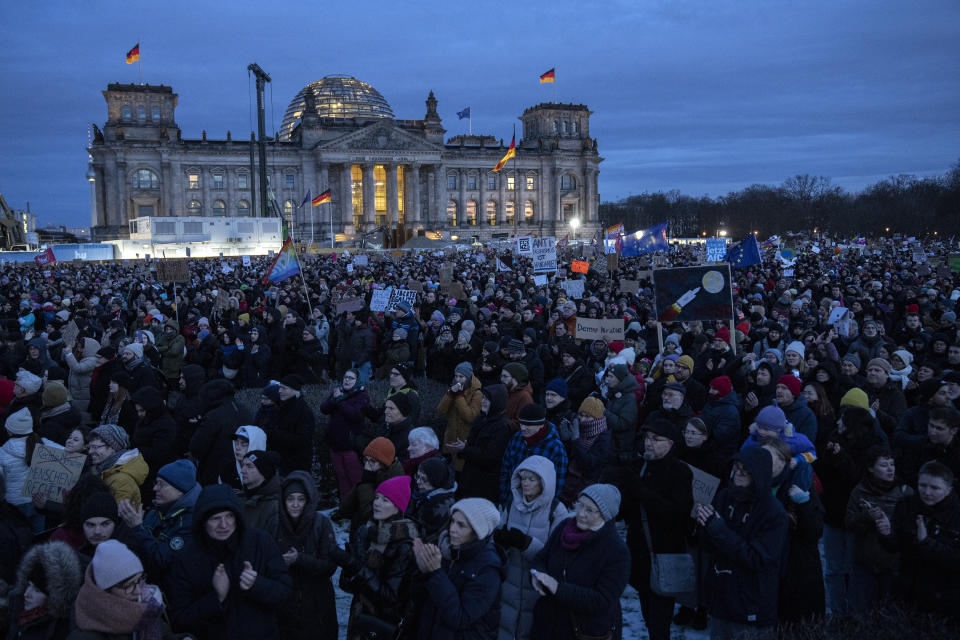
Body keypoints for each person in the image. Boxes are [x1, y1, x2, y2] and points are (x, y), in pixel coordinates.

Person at [168, 483, 293, 640]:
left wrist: (258, 585)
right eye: (216, 518)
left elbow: (286, 593)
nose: (224, 525)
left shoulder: (260, 542)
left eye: (229, 516)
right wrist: (216, 598)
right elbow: (180, 620)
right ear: (203, 521)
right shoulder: (186, 559)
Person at [696, 447, 788, 640]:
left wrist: (718, 530)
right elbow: (708, 545)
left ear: (758, 474)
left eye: (745, 470)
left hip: (752, 603)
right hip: (721, 599)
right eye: (736, 468)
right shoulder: (724, 496)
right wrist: (703, 527)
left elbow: (757, 558)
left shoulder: (773, 512)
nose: (738, 474)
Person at [620, 419, 693, 640]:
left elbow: (677, 514)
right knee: (647, 612)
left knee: (659, 621)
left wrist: (641, 492)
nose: (648, 443)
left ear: (670, 443)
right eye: (647, 438)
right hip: (640, 551)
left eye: (655, 439)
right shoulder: (642, 465)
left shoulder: (680, 472)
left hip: (665, 554)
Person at [529, 484, 630, 640]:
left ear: (605, 514)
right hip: (547, 625)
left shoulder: (616, 551)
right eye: (580, 505)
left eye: (589, 510)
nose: (581, 513)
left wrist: (558, 588)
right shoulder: (564, 527)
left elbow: (602, 600)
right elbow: (541, 558)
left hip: (584, 631)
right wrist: (537, 574)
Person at [334, 475, 420, 640]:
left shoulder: (405, 546)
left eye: (385, 500)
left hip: (383, 627)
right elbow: (349, 587)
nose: (377, 503)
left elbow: (390, 599)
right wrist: (347, 566)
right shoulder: (365, 532)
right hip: (358, 622)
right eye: (377, 498)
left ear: (398, 507)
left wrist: (356, 567)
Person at [496, 455, 568, 640]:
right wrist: (500, 540)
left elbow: (558, 556)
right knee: (505, 625)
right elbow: (499, 532)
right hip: (509, 580)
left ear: (544, 482)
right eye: (522, 478)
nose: (525, 483)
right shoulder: (512, 503)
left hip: (537, 587)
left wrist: (525, 543)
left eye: (532, 479)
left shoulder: (557, 511)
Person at [413, 497, 505, 639]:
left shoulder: (488, 569)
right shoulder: (449, 551)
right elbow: (425, 603)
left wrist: (436, 574)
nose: (452, 529)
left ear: (477, 531)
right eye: (452, 521)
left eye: (461, 525)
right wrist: (424, 572)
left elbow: (460, 618)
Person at [879, 461, 960, 616]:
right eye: (922, 485)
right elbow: (895, 547)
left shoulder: (956, 515)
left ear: (949, 490)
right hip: (908, 591)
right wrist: (885, 534)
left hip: (946, 597)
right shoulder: (906, 506)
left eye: (935, 488)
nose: (927, 492)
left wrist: (926, 543)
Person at [762, 439, 825, 625]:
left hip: (796, 571)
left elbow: (815, 531)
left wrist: (803, 504)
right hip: (767, 568)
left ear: (783, 461)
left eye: (769, 457)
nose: (762, 461)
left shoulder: (800, 484)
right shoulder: (755, 483)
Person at [69, 540, 177, 640]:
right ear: (105, 591)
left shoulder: (146, 606)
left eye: (139, 580)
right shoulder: (84, 636)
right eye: (129, 586)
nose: (138, 591)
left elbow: (166, 635)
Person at [844, 446, 908, 613]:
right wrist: (866, 517)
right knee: (861, 612)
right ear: (871, 468)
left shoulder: (904, 492)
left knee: (890, 612)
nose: (890, 469)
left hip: (893, 563)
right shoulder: (860, 491)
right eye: (884, 465)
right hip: (865, 562)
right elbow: (849, 522)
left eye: (892, 464)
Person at [275, 471, 339, 640]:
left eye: (300, 499)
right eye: (290, 499)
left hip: (318, 603)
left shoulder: (321, 524)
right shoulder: (275, 524)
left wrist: (299, 559)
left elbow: (330, 565)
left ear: (308, 500)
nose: (295, 504)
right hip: (286, 602)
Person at [118, 459, 201, 584]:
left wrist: (137, 528)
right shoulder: (157, 511)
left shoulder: (190, 522)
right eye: (156, 483)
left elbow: (161, 560)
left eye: (162, 484)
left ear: (180, 490)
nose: (155, 488)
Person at [5, 541, 82, 640]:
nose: (26, 594)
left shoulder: (58, 630)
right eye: (28, 585)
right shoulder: (17, 607)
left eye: (37, 590)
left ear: (54, 596)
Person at [499, 404, 568, 507]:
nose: (523, 428)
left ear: (540, 425)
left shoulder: (555, 448)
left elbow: (557, 484)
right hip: (511, 502)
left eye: (528, 425)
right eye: (521, 423)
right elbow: (505, 468)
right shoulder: (517, 438)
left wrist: (545, 509)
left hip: (537, 508)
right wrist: (504, 499)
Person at [189, 379, 252, 486]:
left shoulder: (213, 416)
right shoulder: (245, 411)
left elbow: (196, 448)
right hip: (242, 469)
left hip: (215, 473)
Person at [457, 384, 512, 503]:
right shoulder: (482, 418)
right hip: (469, 477)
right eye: (483, 398)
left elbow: (490, 457)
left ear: (497, 402)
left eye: (487, 399)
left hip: (483, 484)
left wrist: (465, 449)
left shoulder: (502, 427)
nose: (483, 402)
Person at [320, 368, 370, 500]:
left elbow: (355, 415)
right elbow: (324, 409)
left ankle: (360, 508)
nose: (347, 380)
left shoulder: (362, 395)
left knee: (355, 479)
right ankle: (345, 507)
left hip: (350, 446)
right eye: (345, 377)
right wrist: (333, 400)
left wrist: (340, 401)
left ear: (357, 380)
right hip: (335, 445)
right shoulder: (338, 392)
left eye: (351, 378)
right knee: (342, 479)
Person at [339, 437, 404, 535]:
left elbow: (370, 515)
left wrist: (366, 484)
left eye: (372, 461)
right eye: (366, 460)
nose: (366, 465)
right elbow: (345, 510)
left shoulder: (394, 483)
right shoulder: (373, 474)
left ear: (384, 464)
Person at [558, 397, 612, 506]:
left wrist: (576, 441)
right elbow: (570, 458)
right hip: (569, 482)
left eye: (587, 416)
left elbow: (588, 463)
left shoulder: (603, 437)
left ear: (597, 418)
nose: (582, 420)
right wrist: (566, 441)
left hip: (585, 486)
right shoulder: (579, 430)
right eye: (581, 415)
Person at [265, 374, 316, 475]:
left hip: (297, 465)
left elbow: (303, 440)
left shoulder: (303, 411)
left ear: (294, 390)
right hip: (283, 461)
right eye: (280, 387)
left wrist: (275, 434)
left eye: (284, 388)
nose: (279, 391)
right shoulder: (283, 406)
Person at [88, 424, 149, 508]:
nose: (90, 451)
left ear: (113, 448)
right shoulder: (102, 469)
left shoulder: (121, 481)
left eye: (95, 447)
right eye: (90, 447)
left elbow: (115, 516)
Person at [437, 362, 483, 472]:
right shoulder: (454, 389)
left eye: (461, 377)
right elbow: (440, 411)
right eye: (456, 376)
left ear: (468, 377)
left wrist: (458, 397)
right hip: (450, 438)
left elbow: (470, 417)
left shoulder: (477, 393)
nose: (458, 379)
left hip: (464, 440)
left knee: (460, 473)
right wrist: (450, 395)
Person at [407, 456, 457, 543]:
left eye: (424, 479)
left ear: (435, 481)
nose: (418, 481)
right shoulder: (423, 494)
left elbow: (421, 534)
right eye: (418, 476)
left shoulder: (437, 504)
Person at [239, 449, 282, 535]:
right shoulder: (238, 498)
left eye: (249, 466)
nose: (242, 471)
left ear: (264, 471)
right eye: (242, 465)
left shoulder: (275, 506)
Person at [62, 336, 102, 416]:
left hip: (83, 397)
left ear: (89, 348)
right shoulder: (84, 358)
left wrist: (69, 353)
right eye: (78, 347)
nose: (79, 350)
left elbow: (78, 368)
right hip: (77, 395)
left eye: (81, 348)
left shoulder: (93, 360)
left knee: (80, 417)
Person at [219, 425, 266, 490]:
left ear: (256, 445)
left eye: (243, 444)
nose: (237, 448)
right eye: (236, 443)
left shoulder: (267, 474)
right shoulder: (227, 471)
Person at [502, 363, 533, 432]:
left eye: (505, 376)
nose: (502, 379)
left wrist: (500, 422)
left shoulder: (525, 397)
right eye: (501, 376)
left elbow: (520, 424)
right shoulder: (506, 390)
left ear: (516, 378)